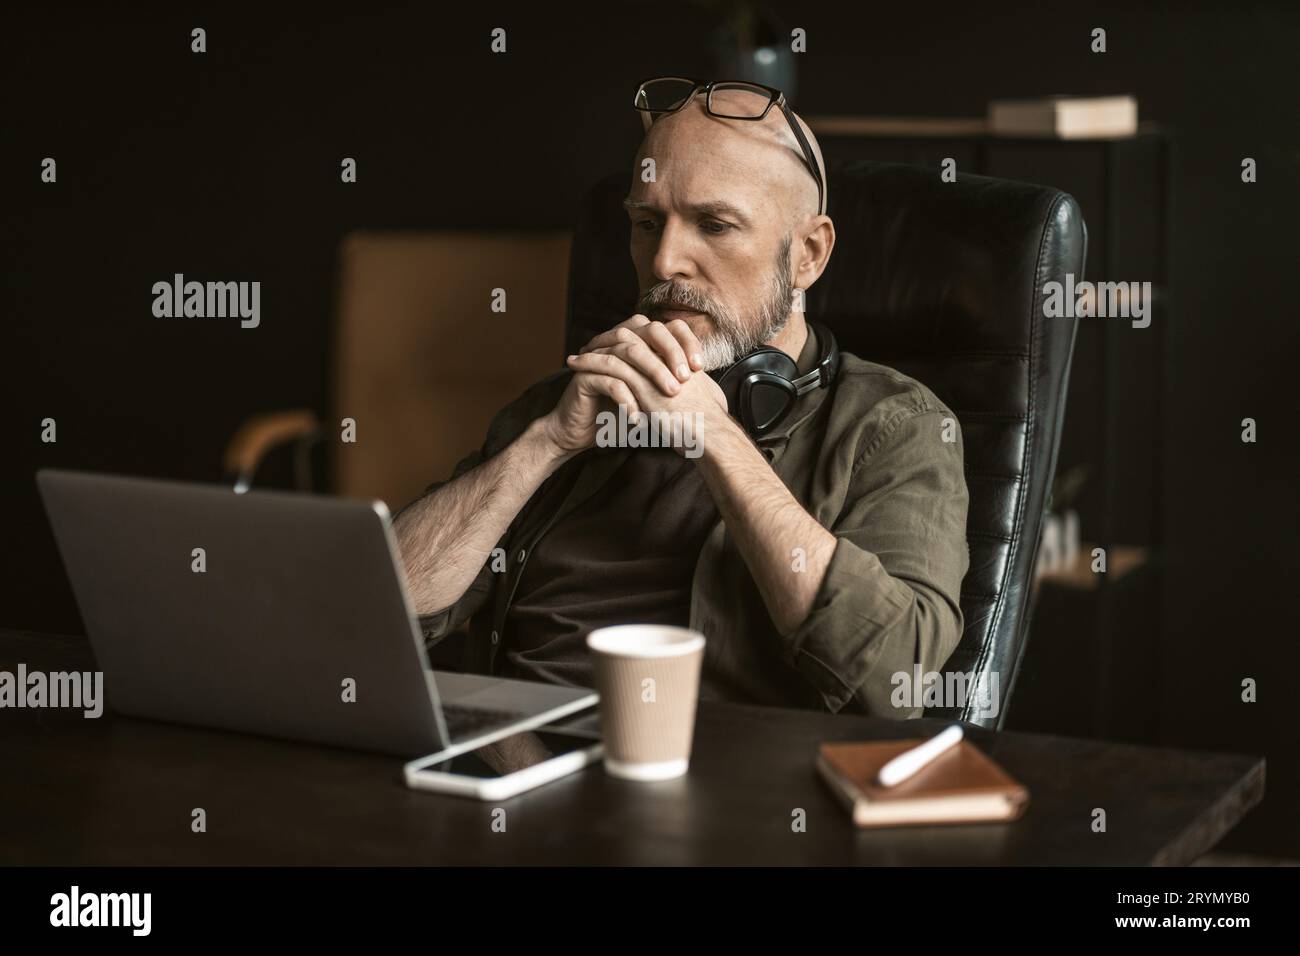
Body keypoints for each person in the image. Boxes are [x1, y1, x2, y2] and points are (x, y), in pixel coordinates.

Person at [393, 81, 969, 717]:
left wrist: (716, 438)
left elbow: (896, 679)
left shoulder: (893, 427)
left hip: (722, 793)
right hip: (515, 766)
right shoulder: (564, 406)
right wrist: (545, 444)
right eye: (646, 223)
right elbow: (382, 612)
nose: (665, 261)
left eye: (714, 224)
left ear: (807, 254)